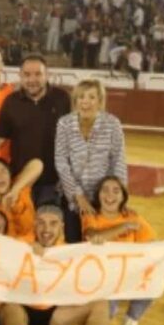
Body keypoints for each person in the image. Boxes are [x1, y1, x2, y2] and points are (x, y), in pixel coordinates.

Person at [0, 204, 139, 325]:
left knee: (99, 302)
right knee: (10, 308)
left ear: (62, 226)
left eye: (53, 223)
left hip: (54, 317)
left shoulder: (73, 251)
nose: (46, 229)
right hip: (19, 312)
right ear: (34, 225)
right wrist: (25, 253)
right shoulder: (19, 244)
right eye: (41, 223)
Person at [83, 176, 164, 325]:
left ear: (123, 196)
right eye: (105, 190)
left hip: (128, 276)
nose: (110, 195)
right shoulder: (91, 216)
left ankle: (131, 321)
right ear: (98, 195)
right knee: (109, 312)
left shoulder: (132, 217)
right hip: (104, 280)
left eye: (116, 191)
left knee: (155, 273)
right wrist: (123, 227)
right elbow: (93, 237)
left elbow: (152, 243)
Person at [0, 55, 71, 206]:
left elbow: (74, 136)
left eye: (38, 74)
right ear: (20, 76)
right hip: (20, 179)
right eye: (26, 75)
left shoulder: (63, 98)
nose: (32, 79)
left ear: (47, 75)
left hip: (54, 181)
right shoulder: (11, 101)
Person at [54, 79, 127, 243]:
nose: (85, 102)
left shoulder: (112, 124)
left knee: (101, 243)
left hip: (104, 198)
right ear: (75, 101)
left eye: (91, 97)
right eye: (81, 97)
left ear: (100, 101)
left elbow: (118, 161)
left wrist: (115, 197)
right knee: (73, 241)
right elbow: (61, 162)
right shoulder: (64, 123)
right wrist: (77, 195)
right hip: (72, 198)